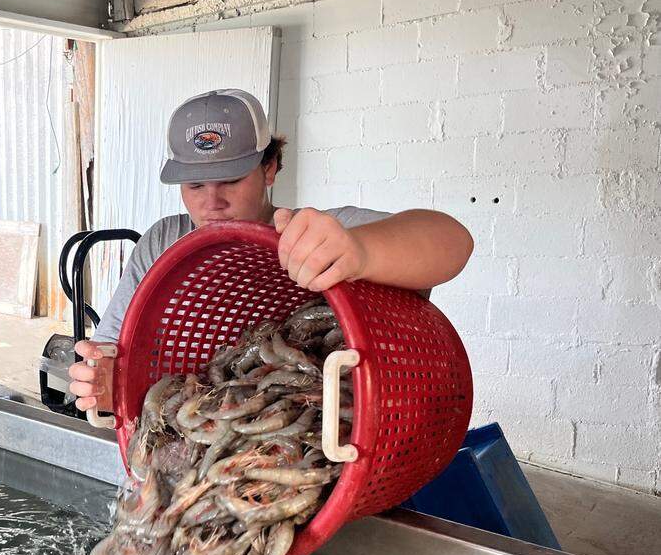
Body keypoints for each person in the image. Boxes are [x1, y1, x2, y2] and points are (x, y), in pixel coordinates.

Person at [68, 88, 473, 414]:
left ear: (270, 168)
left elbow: (453, 240)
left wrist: (361, 251)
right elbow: (113, 350)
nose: (212, 203)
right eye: (194, 186)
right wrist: (100, 379)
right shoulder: (162, 242)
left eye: (230, 180)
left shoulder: (317, 235)